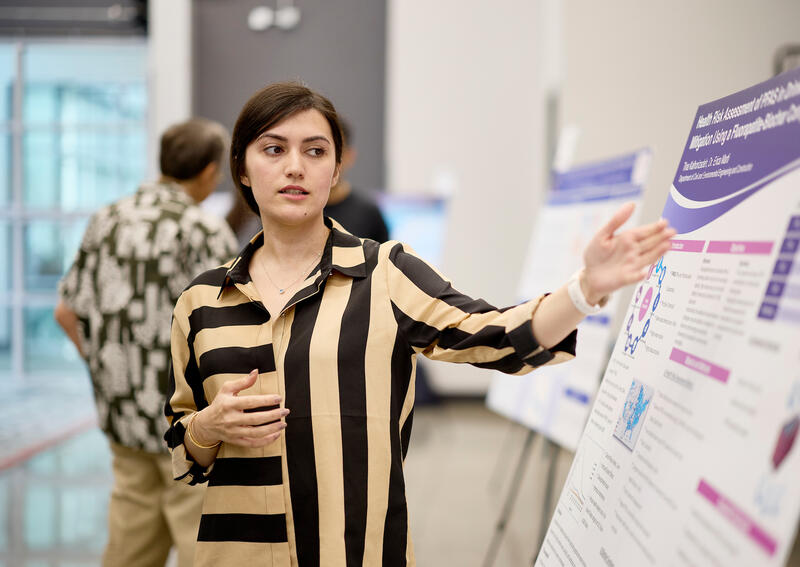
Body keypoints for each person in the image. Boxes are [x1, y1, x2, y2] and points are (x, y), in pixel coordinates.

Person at [164, 82, 674, 567]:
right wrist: (208, 427)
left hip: (357, 552)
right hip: (236, 552)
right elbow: (184, 449)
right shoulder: (202, 301)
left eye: (315, 151)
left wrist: (583, 290)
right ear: (243, 170)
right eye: (273, 150)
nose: (295, 167)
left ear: (337, 170)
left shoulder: (385, 274)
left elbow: (494, 334)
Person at [55, 118, 238, 567]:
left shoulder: (107, 219)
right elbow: (231, 328)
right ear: (210, 173)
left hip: (121, 415)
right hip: (187, 421)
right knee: (201, 539)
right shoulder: (204, 230)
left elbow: (65, 311)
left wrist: (105, 368)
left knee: (132, 537)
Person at [323, 118, 390, 242]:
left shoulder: (369, 214)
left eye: (338, 153)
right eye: (318, 152)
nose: (331, 162)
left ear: (350, 156)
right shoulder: (301, 209)